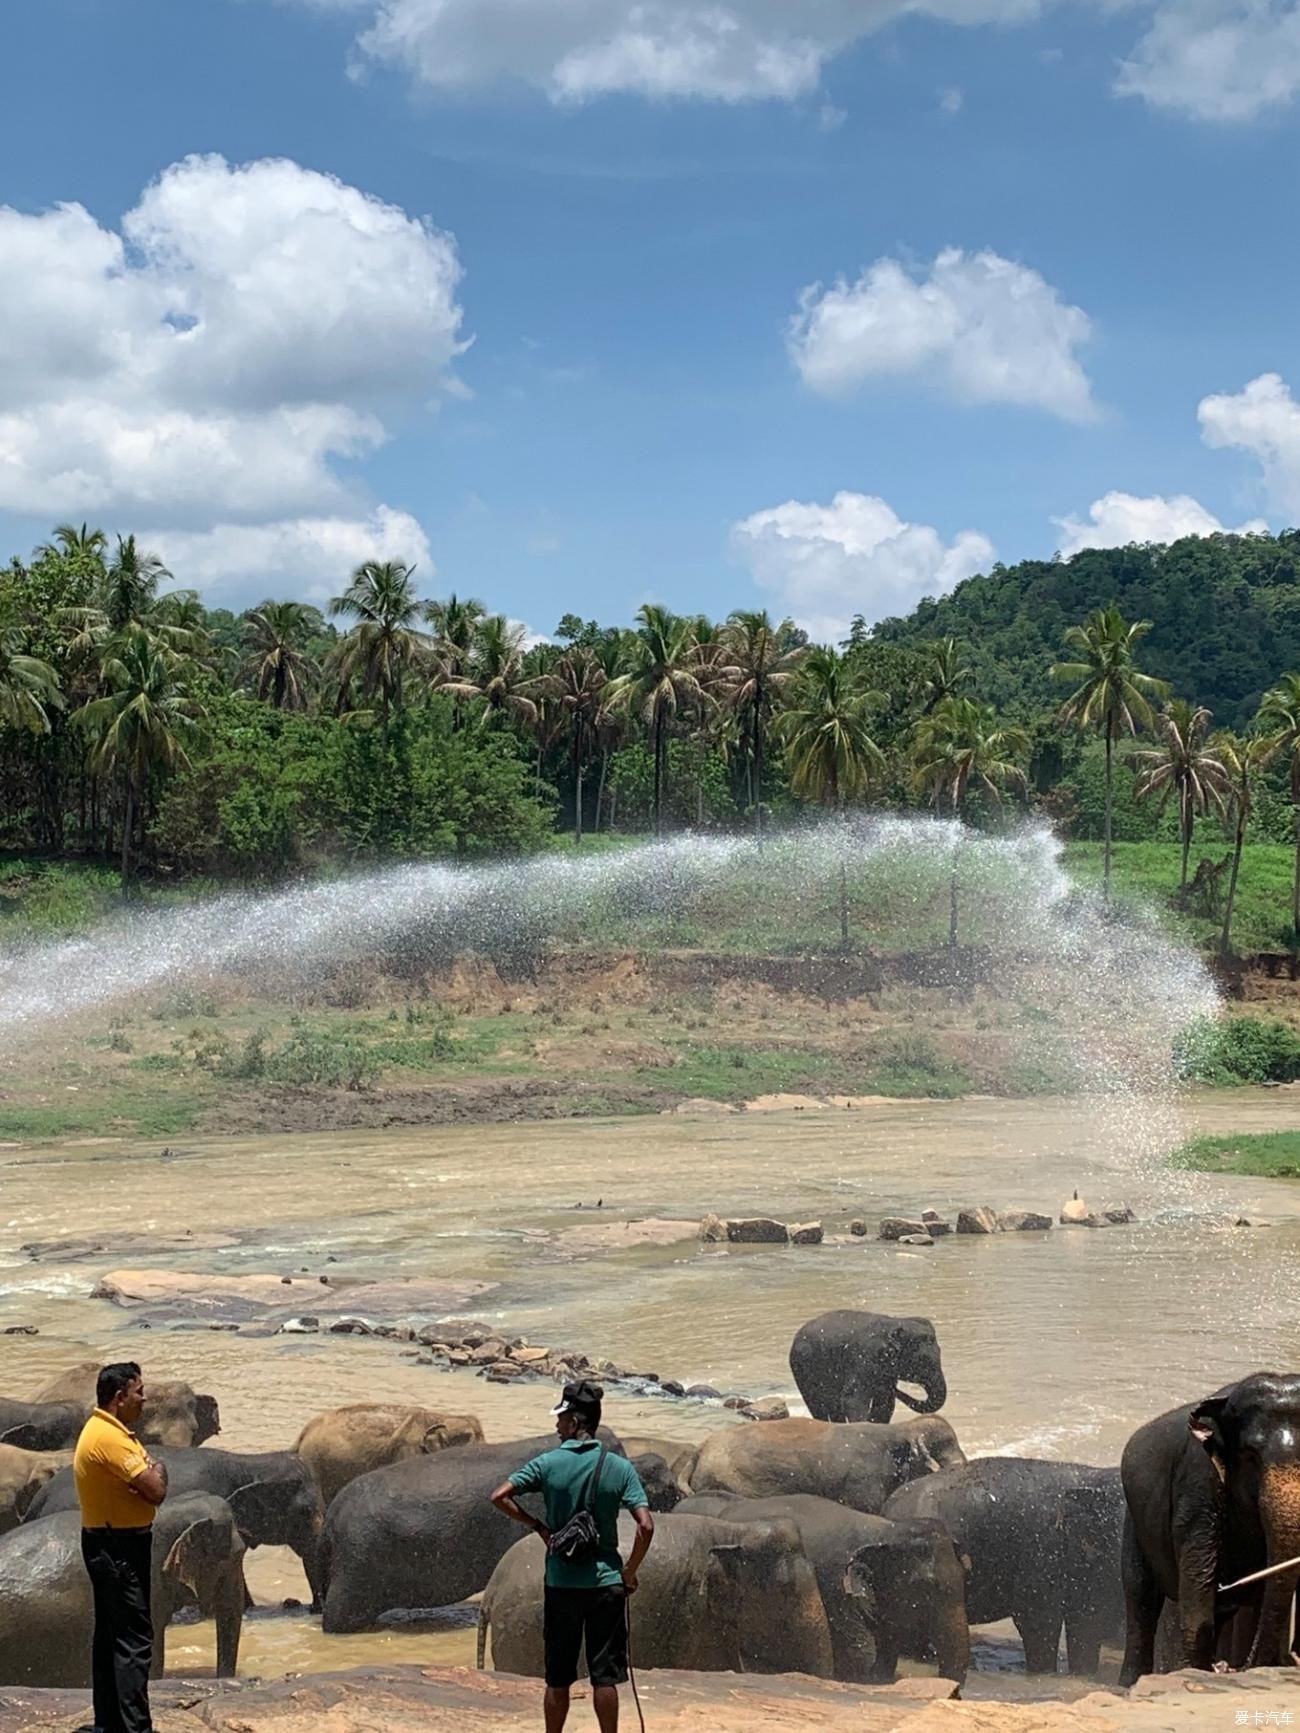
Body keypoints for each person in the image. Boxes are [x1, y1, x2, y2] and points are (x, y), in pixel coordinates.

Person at [490, 1381, 654, 1733]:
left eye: (562, 1417)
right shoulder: (619, 1468)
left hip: (561, 1584)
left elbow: (499, 1496)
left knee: (558, 1678)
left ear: (576, 1422)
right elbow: (646, 1526)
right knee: (605, 1678)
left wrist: (539, 1526)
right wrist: (630, 1571)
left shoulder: (547, 1463)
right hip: (606, 1585)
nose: (557, 1425)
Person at [73, 1362, 169, 1733]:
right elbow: (157, 1489)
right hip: (119, 1548)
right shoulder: (109, 1439)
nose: (144, 1398)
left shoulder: (106, 1430)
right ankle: (135, 1728)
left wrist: (152, 1471)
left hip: (108, 1542)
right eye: (139, 1391)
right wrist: (156, 1469)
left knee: (112, 1636)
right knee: (134, 1640)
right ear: (120, 1397)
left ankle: (110, 1724)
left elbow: (150, 1479)